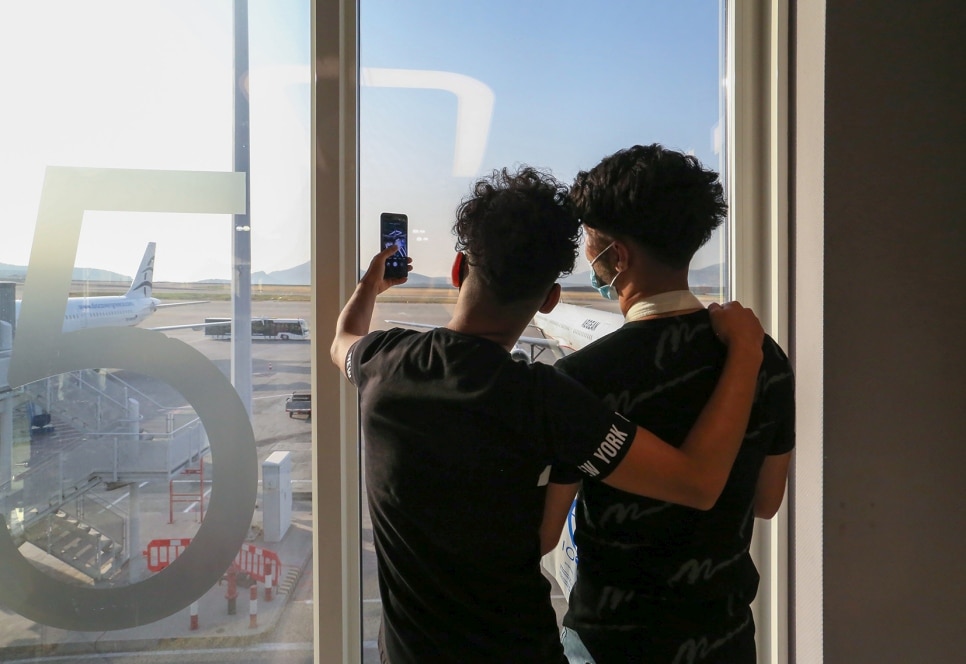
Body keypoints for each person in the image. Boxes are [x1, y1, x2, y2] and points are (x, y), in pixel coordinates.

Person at [330, 166, 766, 664]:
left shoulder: (382, 362)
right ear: (550, 298)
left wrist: (371, 285)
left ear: (457, 269)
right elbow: (698, 483)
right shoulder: (549, 400)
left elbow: (341, 340)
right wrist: (747, 351)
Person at [551, 144, 795, 664]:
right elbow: (767, 500)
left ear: (616, 256)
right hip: (722, 635)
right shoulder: (760, 356)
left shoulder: (581, 377)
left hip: (612, 641)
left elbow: (544, 527)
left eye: (589, 245)